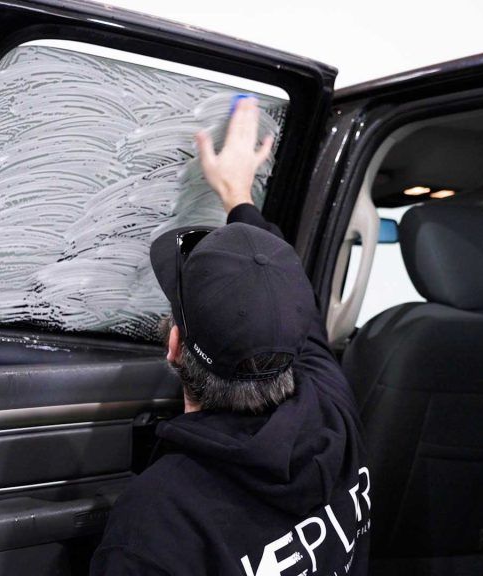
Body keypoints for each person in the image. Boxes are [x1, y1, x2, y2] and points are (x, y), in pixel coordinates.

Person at [90, 97, 370, 576]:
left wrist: (235, 191)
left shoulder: (157, 521)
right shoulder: (333, 410)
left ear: (174, 347)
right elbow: (300, 317)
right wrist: (240, 197)